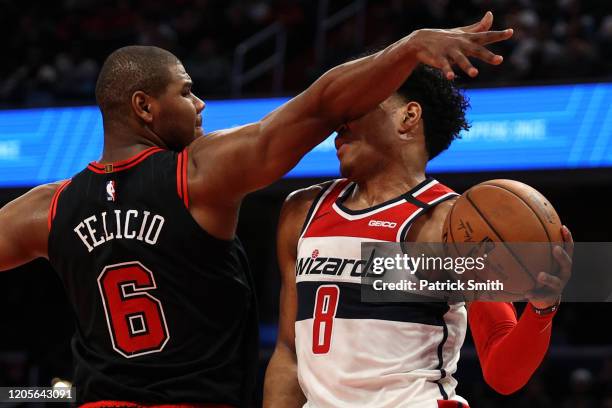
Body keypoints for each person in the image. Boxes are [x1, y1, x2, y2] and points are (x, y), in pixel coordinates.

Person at [0, 12, 513, 408]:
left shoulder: (48, 207)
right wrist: (409, 47)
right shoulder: (196, 177)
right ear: (144, 107)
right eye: (186, 91)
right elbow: (318, 108)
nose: (200, 104)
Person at [263, 55, 574, 408]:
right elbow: (288, 354)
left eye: (358, 106)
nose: (340, 123)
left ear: (408, 116)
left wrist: (541, 308)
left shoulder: (454, 224)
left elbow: (503, 375)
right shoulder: (302, 209)